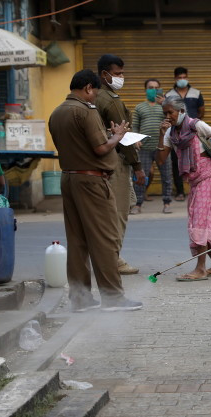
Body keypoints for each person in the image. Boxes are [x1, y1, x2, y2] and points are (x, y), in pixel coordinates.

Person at [48, 69, 143, 312]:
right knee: (105, 238)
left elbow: (82, 144)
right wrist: (118, 136)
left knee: (78, 240)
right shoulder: (85, 110)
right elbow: (101, 149)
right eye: (95, 91)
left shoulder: (58, 112)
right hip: (92, 181)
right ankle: (113, 297)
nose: (95, 97)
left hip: (70, 179)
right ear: (89, 88)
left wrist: (109, 136)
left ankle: (80, 299)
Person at [156, 96, 211, 281]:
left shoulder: (196, 125)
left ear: (181, 112)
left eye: (170, 112)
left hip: (209, 176)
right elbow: (161, 160)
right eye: (165, 113)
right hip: (195, 180)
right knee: (197, 221)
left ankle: (200, 269)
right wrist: (161, 134)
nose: (168, 116)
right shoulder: (170, 133)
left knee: (200, 222)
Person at [94, 54, 144, 275]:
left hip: (100, 162)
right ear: (104, 74)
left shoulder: (95, 97)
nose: (121, 77)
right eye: (117, 74)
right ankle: (113, 260)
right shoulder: (109, 100)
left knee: (106, 213)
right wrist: (138, 166)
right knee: (119, 212)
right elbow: (122, 138)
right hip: (116, 162)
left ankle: (105, 257)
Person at [132, 79, 172, 214]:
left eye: (156, 88)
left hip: (163, 147)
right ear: (145, 90)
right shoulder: (139, 107)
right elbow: (135, 126)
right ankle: (137, 204)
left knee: (166, 176)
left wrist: (165, 104)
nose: (153, 90)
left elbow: (175, 119)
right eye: (150, 87)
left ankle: (167, 203)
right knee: (140, 176)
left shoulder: (166, 106)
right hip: (144, 147)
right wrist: (135, 140)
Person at [166, 67, 205, 202]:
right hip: (176, 133)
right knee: (176, 161)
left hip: (193, 133)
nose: (182, 80)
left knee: (197, 159)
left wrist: (192, 123)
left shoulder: (196, 93)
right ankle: (180, 191)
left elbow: (201, 111)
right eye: (179, 77)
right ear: (175, 78)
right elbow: (167, 112)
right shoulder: (169, 94)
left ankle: (196, 189)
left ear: (187, 77)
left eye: (184, 77)